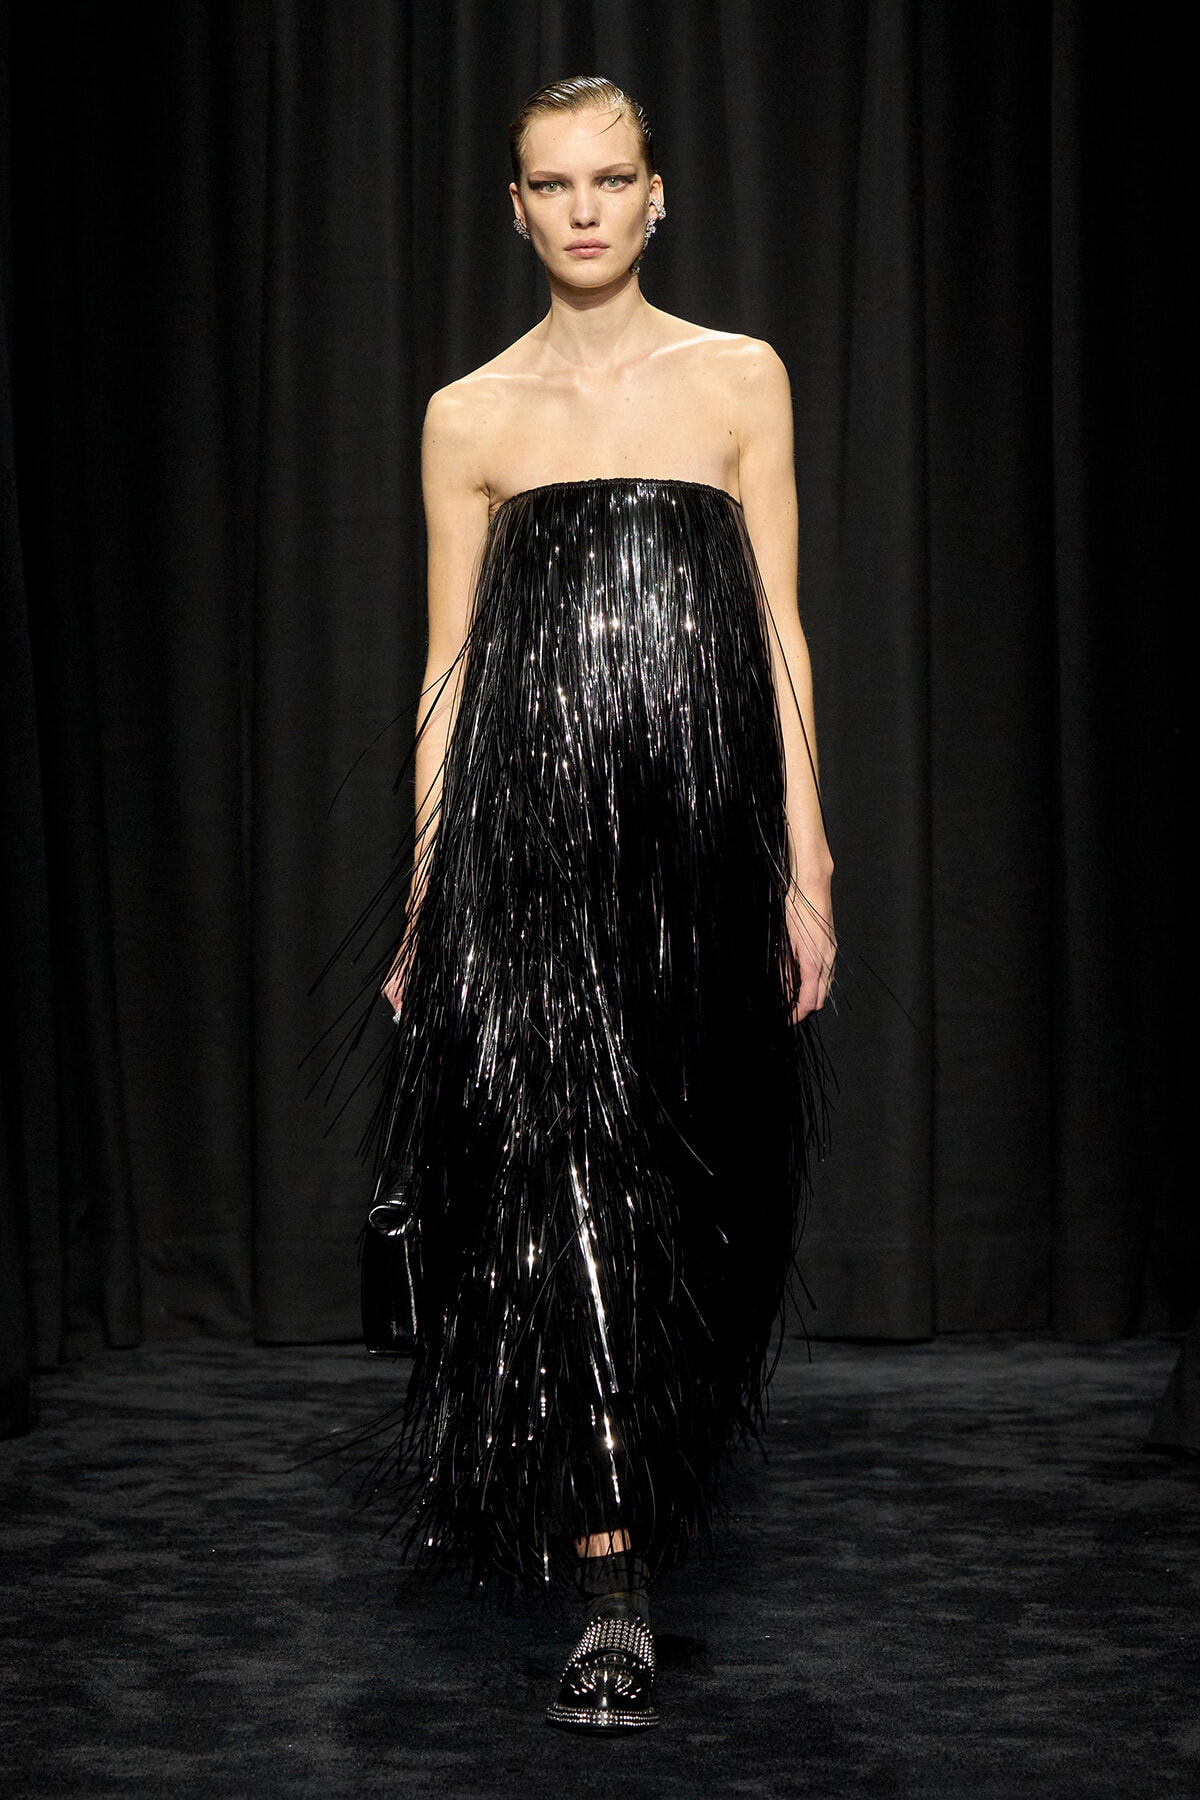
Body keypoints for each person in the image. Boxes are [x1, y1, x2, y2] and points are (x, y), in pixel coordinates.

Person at [371, 75, 835, 1733]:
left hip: (706, 848)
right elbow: (446, 676)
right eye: (552, 184)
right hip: (528, 856)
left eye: (610, 178)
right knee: (566, 1193)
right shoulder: (468, 417)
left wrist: (813, 857)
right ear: (515, 208)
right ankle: (610, 1582)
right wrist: (430, 901)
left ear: (658, 198)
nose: (583, 208)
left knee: (699, 1191)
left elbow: (778, 626)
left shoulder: (737, 382)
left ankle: (654, 1483)